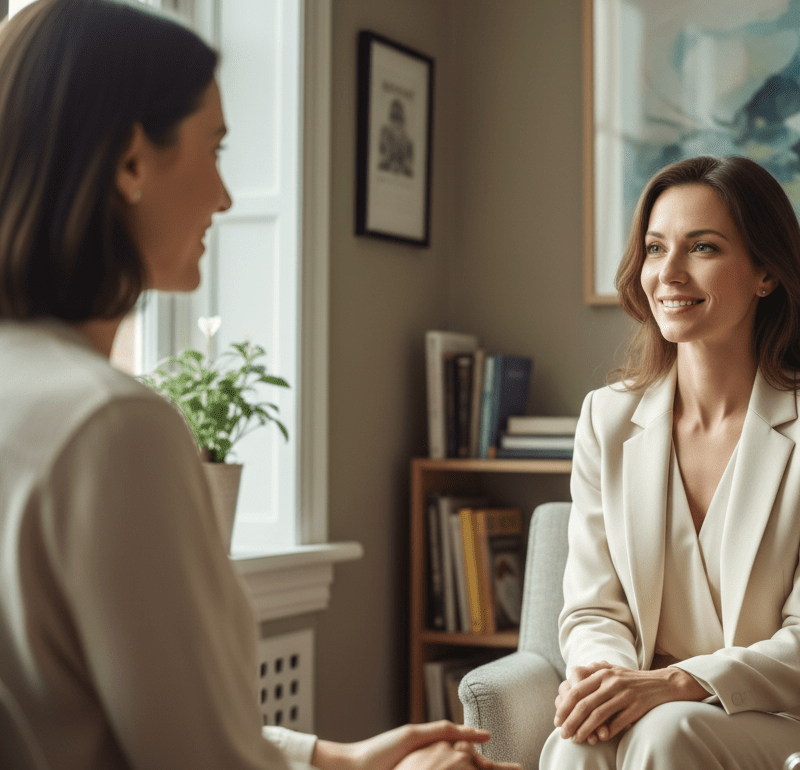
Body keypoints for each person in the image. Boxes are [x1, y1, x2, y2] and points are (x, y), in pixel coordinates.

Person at [0, 2, 517, 769]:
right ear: (130, 163)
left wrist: (332, 761)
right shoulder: (110, 427)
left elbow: (95, 708)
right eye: (214, 149)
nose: (225, 195)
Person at [540, 155, 800, 769]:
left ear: (766, 274)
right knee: (580, 740)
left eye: (701, 247)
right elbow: (594, 608)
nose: (668, 272)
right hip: (651, 707)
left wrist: (675, 685)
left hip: (797, 722)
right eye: (654, 248)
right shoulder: (605, 418)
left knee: (667, 733)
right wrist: (611, 687)